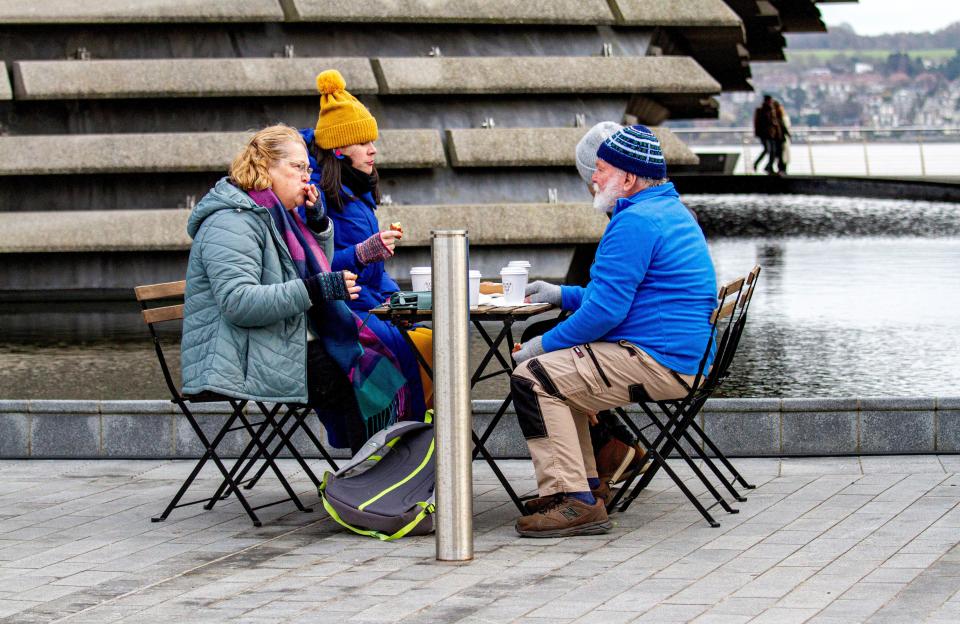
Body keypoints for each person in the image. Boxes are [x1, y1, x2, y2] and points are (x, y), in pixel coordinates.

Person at [509, 125, 718, 537]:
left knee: (533, 378)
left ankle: (574, 501)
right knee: (552, 374)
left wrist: (539, 345)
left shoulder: (634, 222)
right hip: (677, 356)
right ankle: (584, 487)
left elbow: (606, 311)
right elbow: (620, 294)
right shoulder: (666, 211)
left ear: (628, 178)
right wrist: (562, 295)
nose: (594, 179)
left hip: (658, 361)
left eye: (601, 170)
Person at [181, 124, 409, 454]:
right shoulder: (231, 221)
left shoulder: (275, 215)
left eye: (307, 167)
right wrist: (317, 289)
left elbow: (311, 268)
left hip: (272, 338)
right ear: (266, 168)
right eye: (298, 167)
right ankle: (368, 480)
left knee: (377, 362)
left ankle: (374, 473)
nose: (307, 177)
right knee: (354, 377)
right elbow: (239, 302)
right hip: (236, 357)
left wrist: (317, 225)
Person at [299, 69, 428, 421]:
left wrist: (394, 297)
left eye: (373, 142)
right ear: (339, 149)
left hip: (372, 299)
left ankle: (420, 426)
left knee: (431, 327)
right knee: (401, 343)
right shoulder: (318, 198)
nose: (373, 150)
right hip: (346, 307)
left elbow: (375, 274)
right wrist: (362, 253)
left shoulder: (360, 188)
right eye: (363, 143)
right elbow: (318, 266)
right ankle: (402, 431)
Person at [753, 94, 783, 175]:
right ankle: (763, 165)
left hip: (771, 134)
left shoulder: (771, 110)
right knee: (769, 150)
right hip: (765, 134)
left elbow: (774, 122)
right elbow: (757, 123)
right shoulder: (761, 110)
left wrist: (778, 133)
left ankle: (768, 166)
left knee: (771, 150)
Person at [774, 100, 791, 175]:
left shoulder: (775, 116)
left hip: (777, 138)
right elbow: (784, 127)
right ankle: (783, 169)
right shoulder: (781, 116)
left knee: (779, 154)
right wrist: (788, 134)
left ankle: (781, 168)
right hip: (781, 138)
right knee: (782, 154)